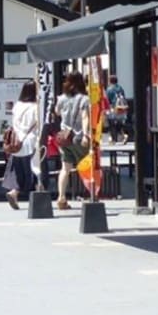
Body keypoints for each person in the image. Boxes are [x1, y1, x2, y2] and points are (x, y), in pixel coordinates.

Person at [54, 71, 90, 210]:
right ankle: (92, 194)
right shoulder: (84, 99)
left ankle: (61, 197)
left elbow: (57, 112)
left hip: (64, 137)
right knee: (88, 165)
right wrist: (86, 135)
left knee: (65, 168)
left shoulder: (62, 98)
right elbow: (85, 117)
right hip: (78, 137)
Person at [5, 81, 38, 210]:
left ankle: (14, 192)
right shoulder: (35, 107)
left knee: (18, 172)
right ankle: (36, 197)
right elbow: (38, 124)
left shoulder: (17, 105)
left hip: (16, 142)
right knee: (33, 170)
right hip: (29, 142)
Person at [105, 75, 128, 144]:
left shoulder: (109, 89)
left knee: (111, 123)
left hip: (113, 109)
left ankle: (112, 138)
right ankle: (124, 135)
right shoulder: (120, 88)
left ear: (110, 81)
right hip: (122, 109)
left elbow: (107, 100)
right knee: (120, 124)